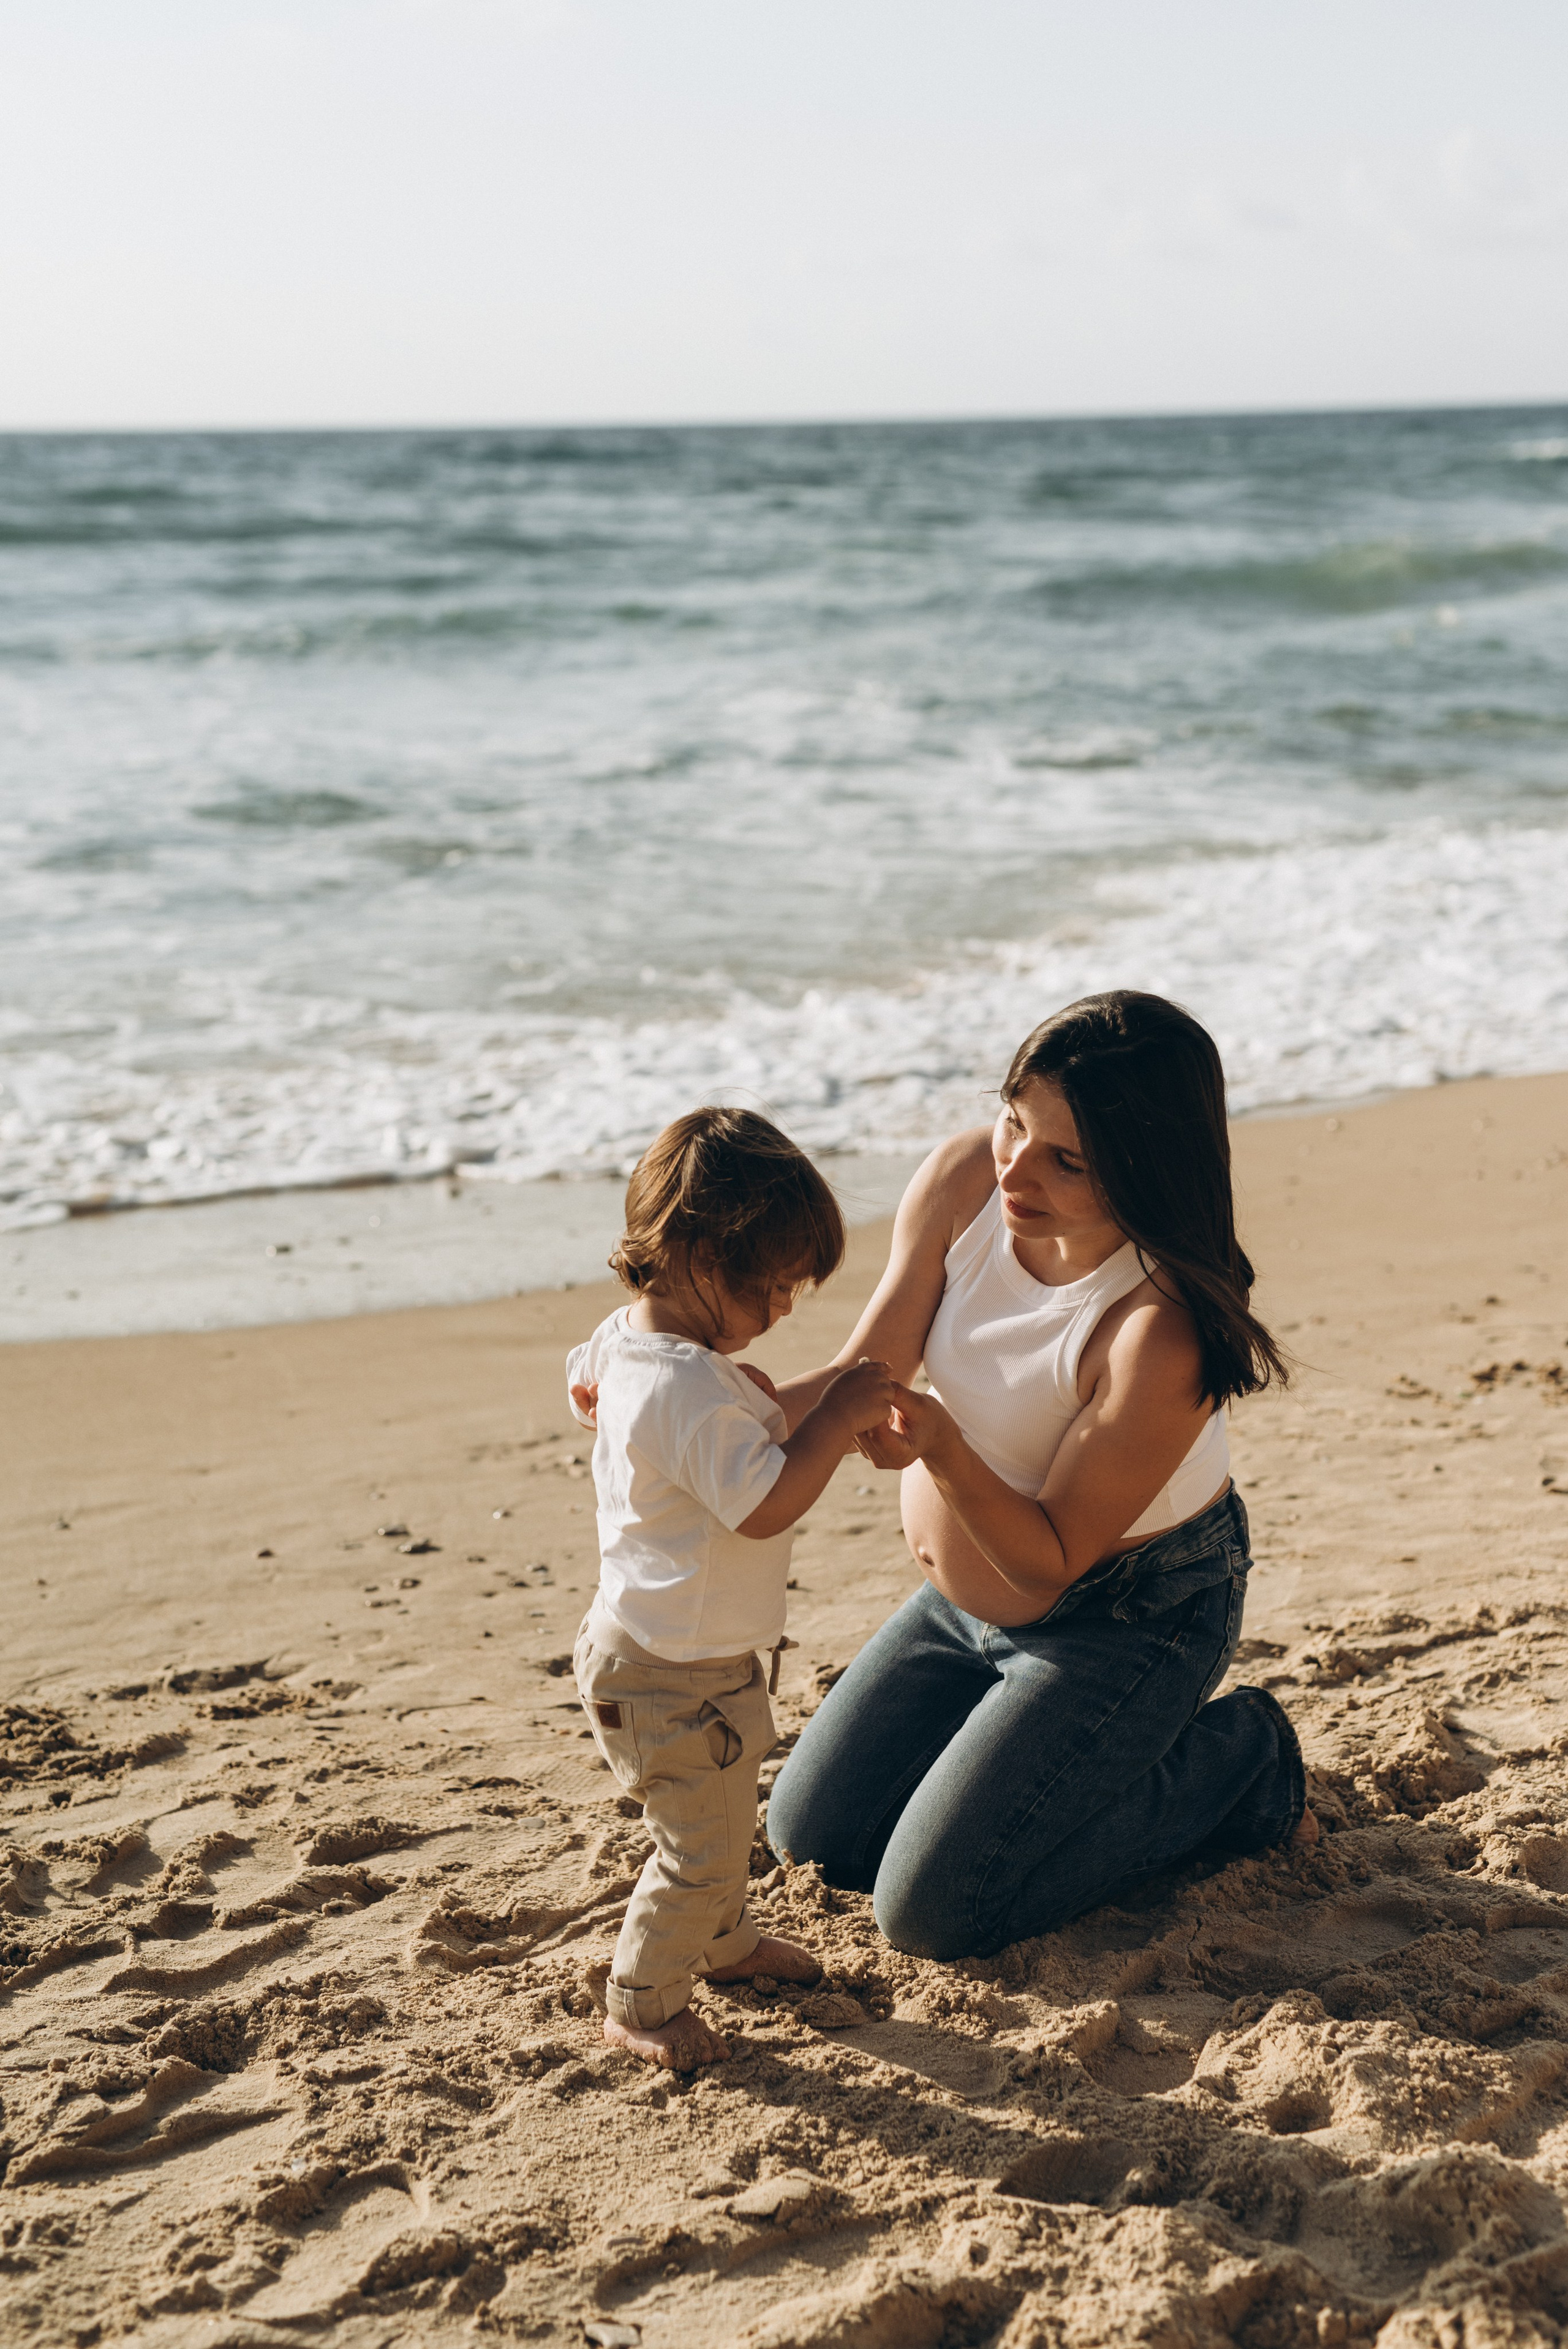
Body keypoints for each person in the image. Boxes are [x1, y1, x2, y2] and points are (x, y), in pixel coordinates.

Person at [767, 990, 1316, 1962]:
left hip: (1124, 1619)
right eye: (1014, 1122)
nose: (1014, 1168)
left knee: (936, 1912)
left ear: (1147, 1169)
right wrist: (689, 1396)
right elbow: (868, 1372)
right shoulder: (967, 1180)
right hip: (962, 1609)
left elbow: (1051, 1559)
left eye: (1067, 1159)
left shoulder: (1160, 1329)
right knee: (812, 1839)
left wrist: (940, 1447)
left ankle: (1241, 1762)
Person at [567, 1106, 897, 2071]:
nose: (787, 1308)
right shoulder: (683, 1391)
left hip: (677, 1653)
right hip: (670, 1674)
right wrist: (833, 1422)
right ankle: (639, 2001)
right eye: (776, 1286)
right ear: (702, 1259)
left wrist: (831, 1397)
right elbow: (762, 1502)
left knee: (721, 1804)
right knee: (698, 1847)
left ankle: (722, 1942)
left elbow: (594, 1381)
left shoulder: (640, 1347)